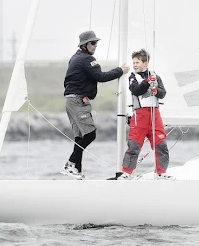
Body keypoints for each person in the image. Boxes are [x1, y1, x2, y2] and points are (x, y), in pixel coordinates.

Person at [61, 30, 129, 179]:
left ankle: (76, 170)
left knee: (80, 137)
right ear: (84, 45)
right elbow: (101, 76)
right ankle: (71, 164)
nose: (95, 46)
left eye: (96, 43)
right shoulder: (87, 59)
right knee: (90, 134)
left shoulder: (75, 58)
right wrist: (121, 71)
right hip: (78, 101)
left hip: (72, 100)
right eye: (93, 43)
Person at [117, 48, 172, 180]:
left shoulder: (156, 77)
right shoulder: (132, 77)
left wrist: (155, 89)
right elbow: (136, 90)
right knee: (134, 146)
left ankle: (160, 172)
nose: (134, 65)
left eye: (137, 62)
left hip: (155, 115)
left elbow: (162, 94)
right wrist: (147, 82)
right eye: (134, 62)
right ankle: (126, 173)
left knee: (161, 145)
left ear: (145, 63)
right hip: (140, 116)